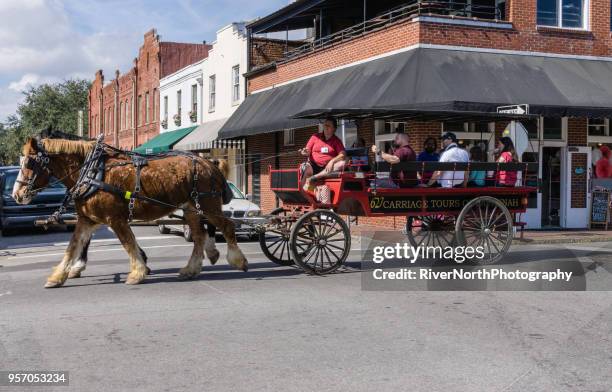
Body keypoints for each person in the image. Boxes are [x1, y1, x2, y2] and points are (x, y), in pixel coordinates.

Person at [300, 117, 346, 191]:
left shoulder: (337, 141)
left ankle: (315, 177)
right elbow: (307, 151)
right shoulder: (315, 137)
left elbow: (343, 154)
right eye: (325, 125)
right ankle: (304, 194)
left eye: (328, 126)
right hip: (313, 165)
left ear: (334, 129)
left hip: (327, 168)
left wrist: (332, 161)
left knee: (342, 163)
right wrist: (305, 152)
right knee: (305, 168)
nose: (326, 127)